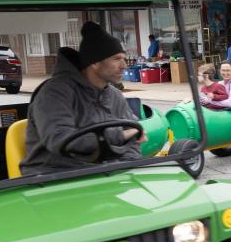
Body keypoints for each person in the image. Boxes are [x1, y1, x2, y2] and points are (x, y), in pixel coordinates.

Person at [21, 21, 143, 175]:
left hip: (101, 173)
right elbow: (59, 139)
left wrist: (128, 166)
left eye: (123, 59)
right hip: (53, 175)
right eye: (117, 59)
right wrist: (120, 135)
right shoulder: (53, 93)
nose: (124, 65)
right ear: (95, 62)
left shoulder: (115, 96)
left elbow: (133, 140)